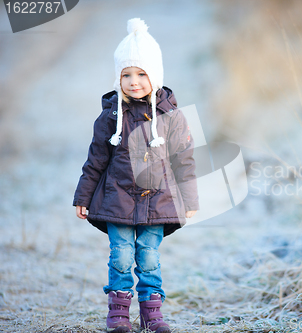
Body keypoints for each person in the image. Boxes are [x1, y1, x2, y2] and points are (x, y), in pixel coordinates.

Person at [73, 18, 199, 333]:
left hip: (159, 202)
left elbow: (184, 160)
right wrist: (83, 196)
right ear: (117, 78)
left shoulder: (172, 117)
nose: (134, 81)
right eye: (126, 74)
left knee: (149, 257)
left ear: (154, 75)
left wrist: (190, 199)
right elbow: (95, 160)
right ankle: (117, 314)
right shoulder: (109, 117)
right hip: (117, 199)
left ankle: (152, 313)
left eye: (141, 74)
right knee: (121, 255)